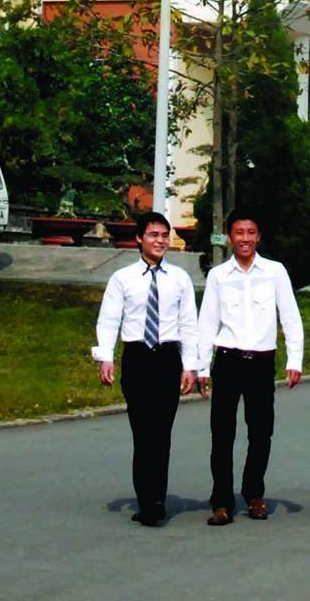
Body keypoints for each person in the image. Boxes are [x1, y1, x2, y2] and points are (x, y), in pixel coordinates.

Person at [194, 211, 303, 525]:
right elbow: (207, 322)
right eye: (239, 232)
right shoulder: (218, 276)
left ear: (258, 236)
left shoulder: (275, 272)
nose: (245, 238)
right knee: (222, 434)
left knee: (261, 432)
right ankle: (222, 502)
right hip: (228, 360)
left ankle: (254, 494)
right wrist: (202, 367)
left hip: (261, 362)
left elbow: (291, 317)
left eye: (251, 232)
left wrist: (294, 360)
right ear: (230, 237)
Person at [91, 212, 199, 526]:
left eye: (164, 235)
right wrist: (105, 357)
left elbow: (188, 323)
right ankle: (146, 499)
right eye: (153, 235)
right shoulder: (122, 279)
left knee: (162, 433)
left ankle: (156, 501)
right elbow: (109, 319)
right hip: (138, 358)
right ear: (140, 238)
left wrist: (190, 365)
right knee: (143, 433)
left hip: (167, 358)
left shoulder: (179, 278)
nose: (160, 241)